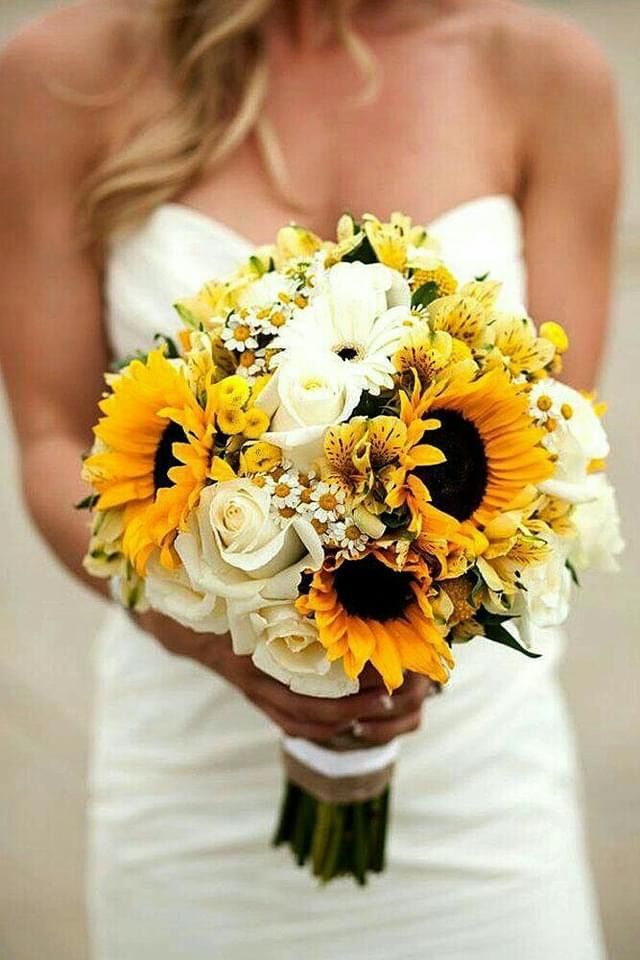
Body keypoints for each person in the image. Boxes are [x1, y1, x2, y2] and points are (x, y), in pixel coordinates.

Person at [0, 1, 620, 957]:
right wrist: (206, 637)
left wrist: (429, 604)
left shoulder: (545, 73)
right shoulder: (61, 73)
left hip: (473, 776)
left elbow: (555, 442)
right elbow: (50, 435)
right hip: (191, 779)